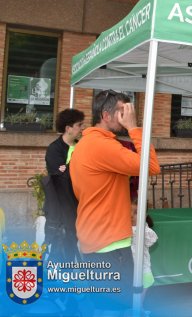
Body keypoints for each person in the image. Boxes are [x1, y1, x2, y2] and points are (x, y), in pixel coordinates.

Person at [70, 90, 161, 312]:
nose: (126, 116)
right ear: (106, 115)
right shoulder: (102, 146)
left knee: (104, 305)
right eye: (122, 112)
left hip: (95, 237)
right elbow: (151, 166)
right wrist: (134, 128)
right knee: (115, 308)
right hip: (110, 244)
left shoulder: (86, 144)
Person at [44, 108, 85, 263]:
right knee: (64, 244)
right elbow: (61, 179)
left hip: (81, 203)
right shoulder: (54, 149)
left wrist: (67, 168)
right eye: (79, 125)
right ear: (68, 128)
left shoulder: (81, 146)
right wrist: (72, 169)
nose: (82, 128)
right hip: (62, 208)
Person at [131, 199, 158, 303]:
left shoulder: (145, 230)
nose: (131, 215)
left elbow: (152, 240)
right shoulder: (122, 227)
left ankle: (139, 308)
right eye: (129, 211)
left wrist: (139, 227)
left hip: (142, 268)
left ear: (144, 215)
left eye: (136, 212)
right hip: (128, 269)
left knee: (139, 298)